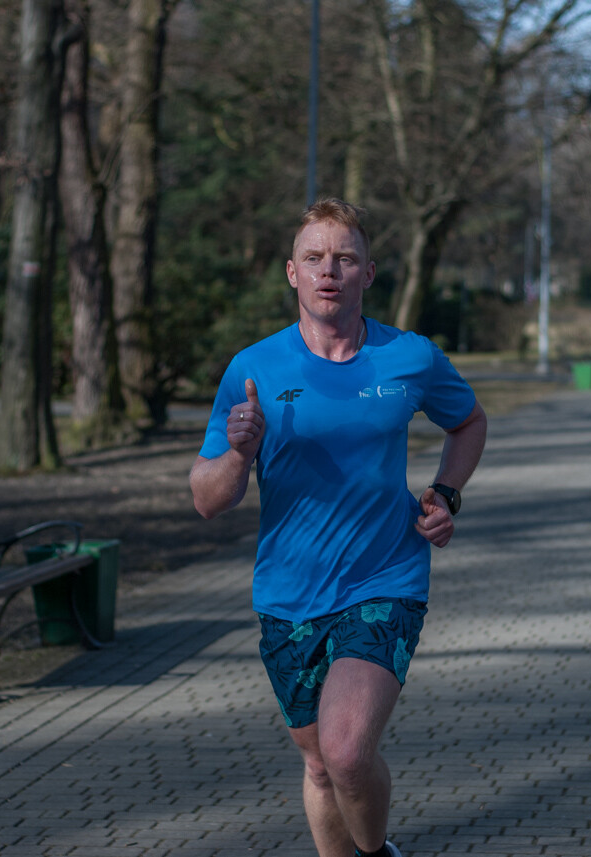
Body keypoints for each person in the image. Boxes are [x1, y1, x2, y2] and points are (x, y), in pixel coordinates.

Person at [189, 199, 487, 857]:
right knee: (320, 764)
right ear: (292, 273)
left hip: (386, 578)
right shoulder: (253, 370)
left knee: (347, 750)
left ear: (368, 273)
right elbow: (209, 499)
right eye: (315, 258)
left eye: (345, 258)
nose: (329, 271)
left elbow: (468, 421)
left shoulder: (409, 357)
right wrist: (238, 452)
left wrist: (445, 493)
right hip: (288, 595)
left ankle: (376, 852)